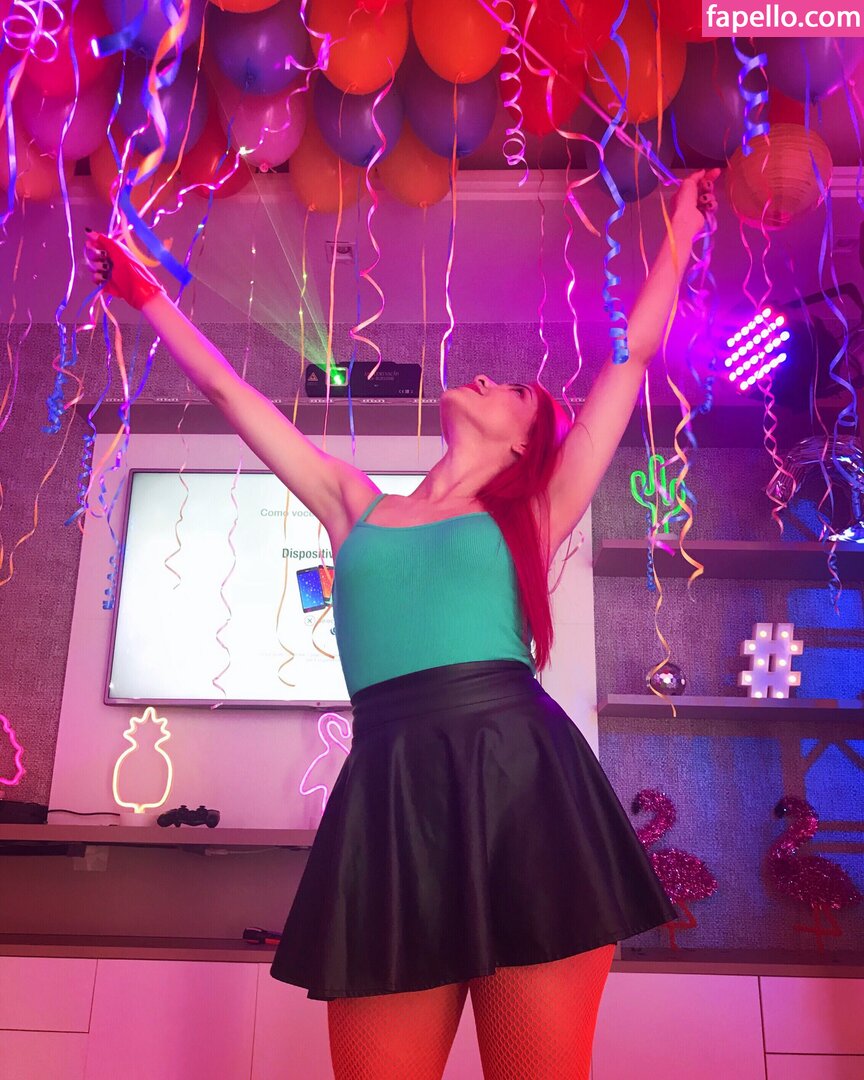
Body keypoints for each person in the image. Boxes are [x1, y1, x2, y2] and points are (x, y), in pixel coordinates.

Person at [84, 166, 719, 1080]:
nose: (489, 376)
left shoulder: (537, 510)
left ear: (526, 441)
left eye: (515, 390)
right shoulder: (355, 503)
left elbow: (632, 356)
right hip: (390, 799)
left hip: (523, 792)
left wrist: (681, 232)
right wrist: (149, 297)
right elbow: (231, 395)